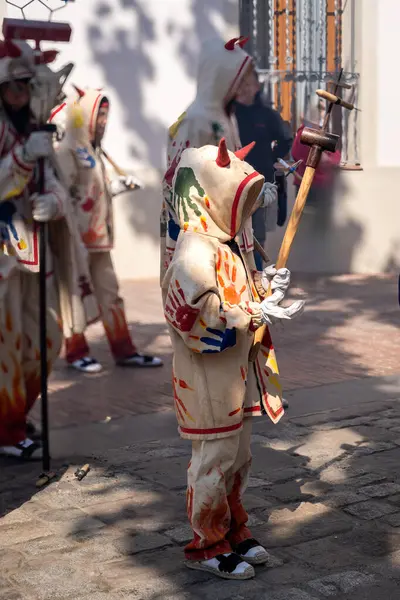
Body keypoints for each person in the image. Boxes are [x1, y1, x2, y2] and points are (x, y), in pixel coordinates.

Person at [162, 138, 304, 580]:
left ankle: (234, 528)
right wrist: (253, 311)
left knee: (239, 455)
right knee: (214, 457)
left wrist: (265, 286)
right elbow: (191, 317)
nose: (245, 214)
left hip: (237, 371)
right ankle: (206, 544)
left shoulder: (228, 242)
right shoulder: (192, 252)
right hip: (207, 376)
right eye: (239, 204)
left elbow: (241, 286)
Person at [0, 40, 97, 458]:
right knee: (6, 344)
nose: (22, 96)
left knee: (47, 337)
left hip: (36, 250)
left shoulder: (37, 126)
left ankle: (17, 414)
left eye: (28, 87)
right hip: (3, 253)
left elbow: (53, 178)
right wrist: (21, 158)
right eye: (14, 87)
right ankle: (7, 429)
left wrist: (54, 201)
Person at [56, 87, 163, 373]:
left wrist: (114, 188)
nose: (104, 120)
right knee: (75, 297)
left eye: (106, 115)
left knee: (111, 295)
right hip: (77, 240)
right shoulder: (67, 149)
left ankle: (123, 349)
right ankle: (76, 351)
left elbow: (92, 190)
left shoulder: (93, 150)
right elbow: (64, 193)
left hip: (100, 239)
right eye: (99, 114)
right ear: (86, 115)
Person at [160, 36, 277, 282]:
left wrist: (252, 191)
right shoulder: (197, 120)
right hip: (207, 238)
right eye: (243, 79)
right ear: (223, 78)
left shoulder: (224, 116)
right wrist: (250, 197)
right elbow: (187, 187)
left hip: (229, 230)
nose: (251, 87)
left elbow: (229, 171)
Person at [234, 69, 292, 270]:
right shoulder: (229, 115)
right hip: (231, 182)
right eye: (241, 84)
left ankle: (256, 275)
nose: (245, 89)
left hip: (259, 181)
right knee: (231, 232)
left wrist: (273, 157)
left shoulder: (267, 115)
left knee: (257, 233)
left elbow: (285, 139)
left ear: (256, 87)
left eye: (249, 84)